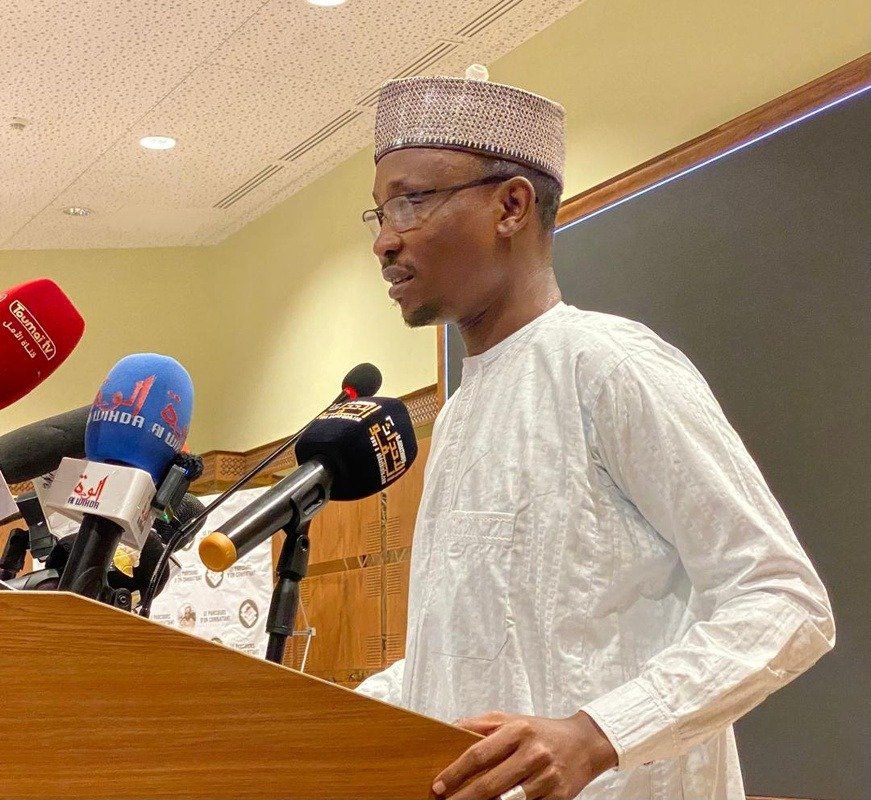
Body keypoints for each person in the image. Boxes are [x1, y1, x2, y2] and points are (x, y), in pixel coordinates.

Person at [355, 70, 835, 800]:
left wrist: (597, 734)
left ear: (511, 206)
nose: (385, 241)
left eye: (411, 201)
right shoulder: (456, 414)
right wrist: (335, 712)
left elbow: (783, 600)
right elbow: (466, 653)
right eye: (380, 212)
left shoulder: (610, 365)